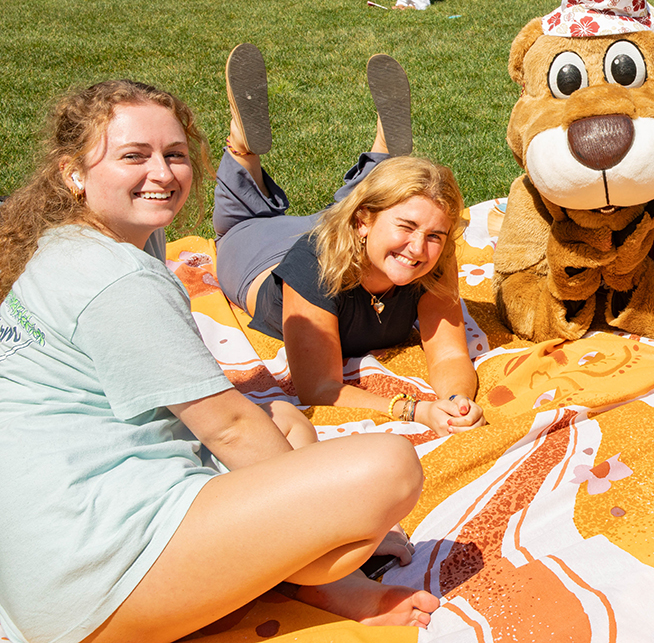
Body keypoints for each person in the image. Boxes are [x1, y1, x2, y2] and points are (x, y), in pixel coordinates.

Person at [0, 79, 440, 643]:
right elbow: (228, 427)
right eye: (133, 155)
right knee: (388, 468)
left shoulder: (78, 243)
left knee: (281, 419)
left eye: (175, 154)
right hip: (94, 580)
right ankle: (327, 576)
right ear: (73, 173)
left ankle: (315, 576)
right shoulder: (116, 279)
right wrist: (339, 523)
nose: (161, 172)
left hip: (47, 552)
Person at [213, 45, 484, 433]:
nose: (419, 249)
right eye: (407, 227)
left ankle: (383, 161)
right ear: (364, 222)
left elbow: (449, 355)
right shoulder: (314, 262)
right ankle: (242, 147)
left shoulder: (432, 256)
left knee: (356, 215)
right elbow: (320, 388)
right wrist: (414, 411)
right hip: (259, 249)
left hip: (346, 230)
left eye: (434, 235)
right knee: (239, 219)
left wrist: (456, 401)